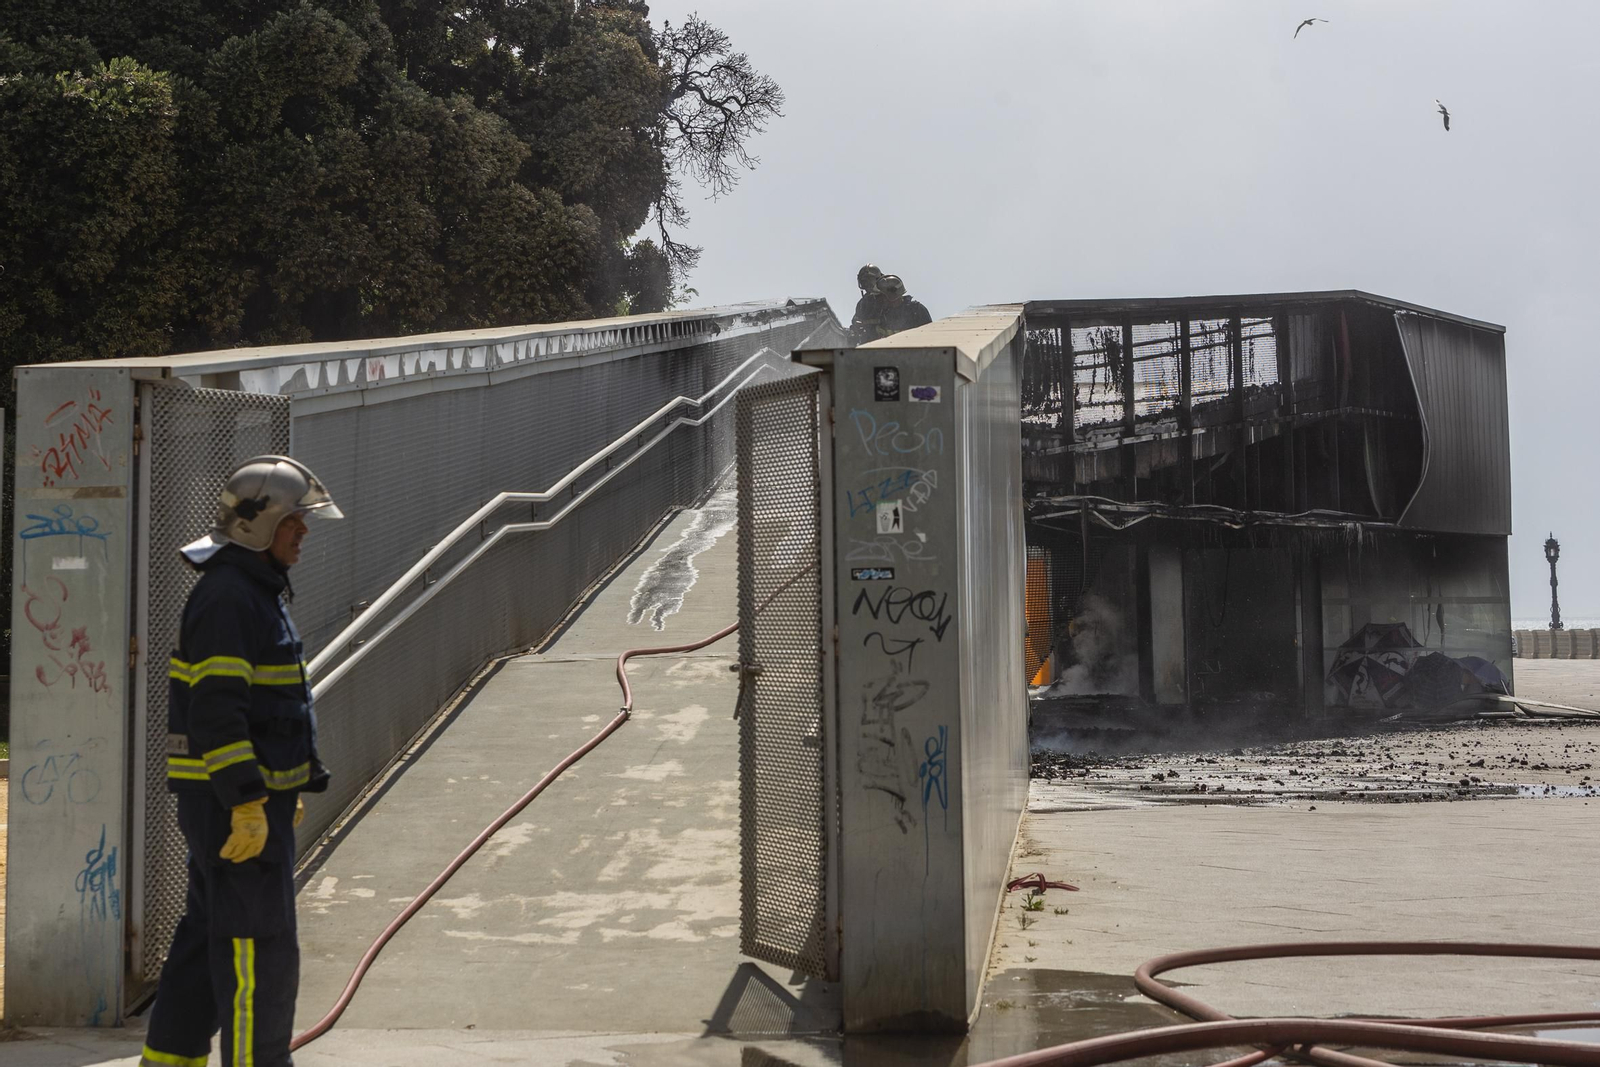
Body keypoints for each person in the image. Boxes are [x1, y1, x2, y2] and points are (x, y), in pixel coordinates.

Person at [141, 455, 342, 1067]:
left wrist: (278, 786)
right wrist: (248, 800)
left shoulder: (251, 589)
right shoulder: (232, 598)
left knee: (208, 938)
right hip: (233, 807)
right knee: (261, 949)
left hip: (233, 802)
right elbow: (217, 713)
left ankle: (169, 1060)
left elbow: (257, 708)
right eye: (294, 523)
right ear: (258, 526)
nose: (303, 533)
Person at [849, 263, 889, 344]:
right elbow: (856, 321)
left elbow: (893, 318)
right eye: (864, 282)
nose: (867, 285)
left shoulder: (890, 297)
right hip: (869, 343)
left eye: (869, 281)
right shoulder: (863, 304)